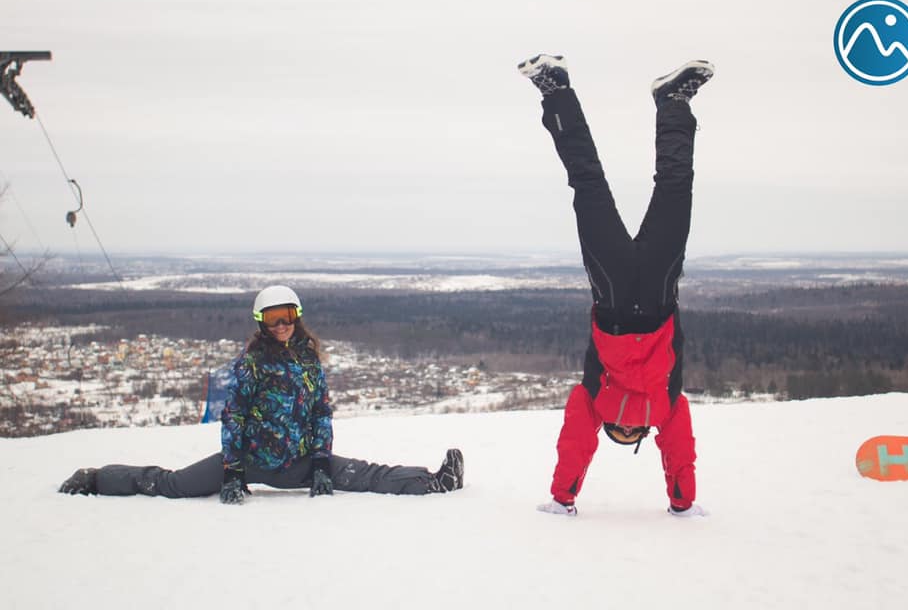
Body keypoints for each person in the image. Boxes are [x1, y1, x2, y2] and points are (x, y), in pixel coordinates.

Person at [517, 54, 712, 517]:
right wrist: (682, 502)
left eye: (620, 432)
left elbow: (576, 443)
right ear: (642, 435)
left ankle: (556, 90)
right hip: (655, 292)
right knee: (673, 188)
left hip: (616, 294)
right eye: (632, 432)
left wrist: (564, 497)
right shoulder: (665, 410)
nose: (626, 428)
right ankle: (673, 102)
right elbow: (679, 452)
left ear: (613, 430)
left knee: (591, 186)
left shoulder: (598, 405)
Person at [59, 285, 464, 503]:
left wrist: (321, 463)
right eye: (273, 318)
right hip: (250, 460)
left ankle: (434, 482)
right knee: (174, 485)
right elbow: (234, 417)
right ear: (262, 322)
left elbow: (320, 413)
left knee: (367, 475)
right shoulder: (251, 362)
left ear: (296, 317)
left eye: (286, 316)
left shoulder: (310, 361)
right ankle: (97, 479)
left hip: (301, 461)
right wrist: (233, 472)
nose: (281, 324)